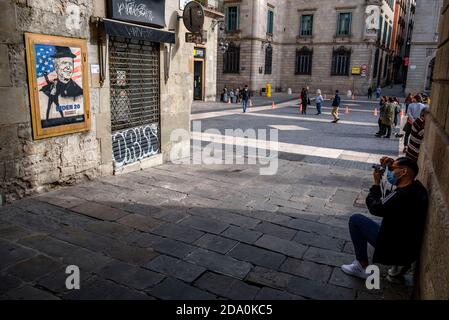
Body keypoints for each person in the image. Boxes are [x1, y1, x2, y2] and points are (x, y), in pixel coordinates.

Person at [341, 157, 428, 280]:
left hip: (395, 248)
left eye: (393, 169)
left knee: (356, 220)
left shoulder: (401, 196)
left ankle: (361, 266)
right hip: (408, 247)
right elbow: (389, 199)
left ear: (403, 172)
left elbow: (375, 207)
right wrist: (390, 166)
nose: (390, 172)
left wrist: (376, 184)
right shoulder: (417, 188)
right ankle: (399, 265)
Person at [40, 46, 83, 123]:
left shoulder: (79, 91)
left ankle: (61, 117)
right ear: (56, 67)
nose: (68, 68)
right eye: (64, 63)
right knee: (50, 108)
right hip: (52, 98)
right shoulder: (48, 88)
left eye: (70, 63)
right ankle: (47, 120)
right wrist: (46, 76)